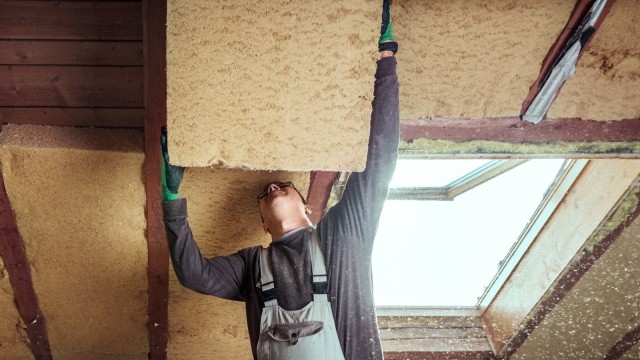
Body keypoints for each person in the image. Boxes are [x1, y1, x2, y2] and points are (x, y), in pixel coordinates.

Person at [161, 2, 398, 359]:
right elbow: (197, 275)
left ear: (307, 207)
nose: (272, 187)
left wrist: (385, 59)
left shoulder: (344, 233)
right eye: (268, 191)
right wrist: (170, 195)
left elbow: (380, 158)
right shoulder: (257, 263)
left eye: (282, 187)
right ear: (261, 221)